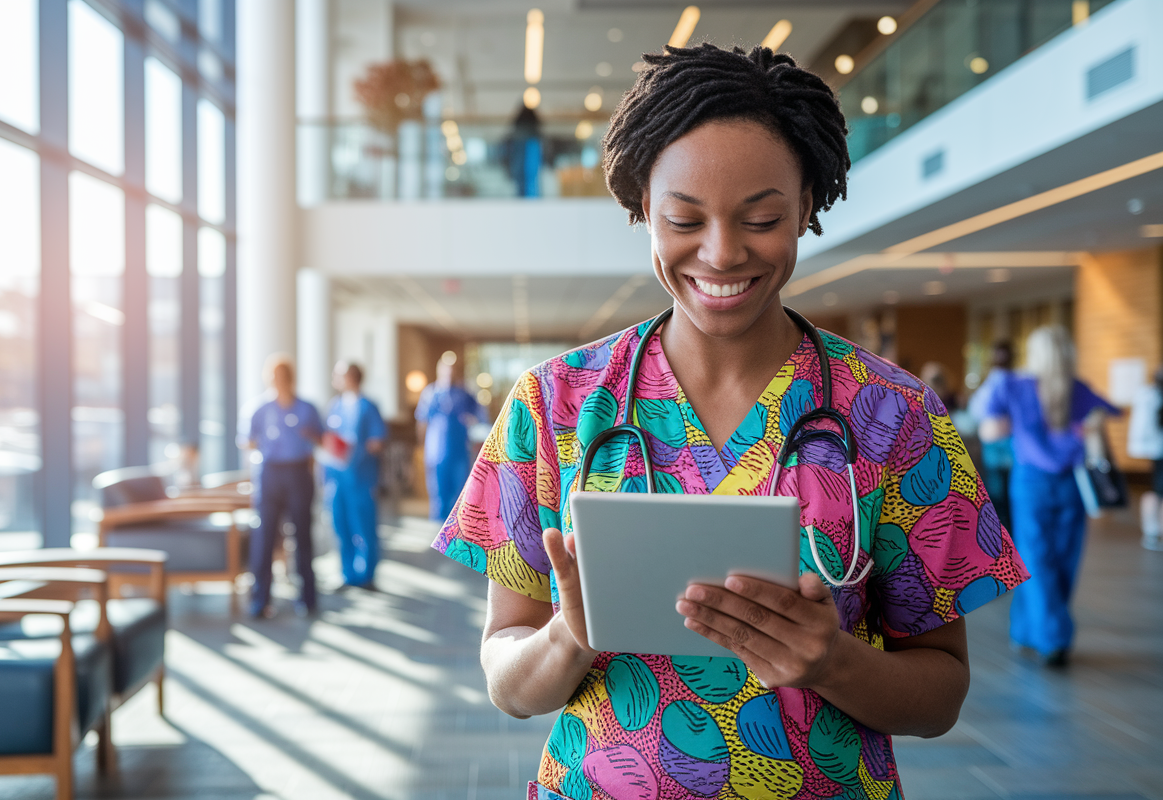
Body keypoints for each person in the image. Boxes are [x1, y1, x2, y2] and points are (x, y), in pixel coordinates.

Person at [433, 44, 1027, 800]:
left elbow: (941, 695)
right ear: (642, 206)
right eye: (684, 218)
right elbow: (509, 684)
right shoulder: (553, 405)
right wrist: (568, 637)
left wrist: (830, 662)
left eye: (763, 217)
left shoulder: (892, 414)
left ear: (808, 205)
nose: (721, 253)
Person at [980, 325, 1115, 666]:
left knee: (1035, 557)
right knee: (1065, 557)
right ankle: (1041, 630)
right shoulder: (1079, 389)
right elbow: (1111, 412)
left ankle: (1043, 634)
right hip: (1071, 483)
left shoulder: (1014, 385)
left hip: (1030, 483)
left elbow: (987, 425)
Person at [239, 354, 322, 618]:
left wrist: (309, 437)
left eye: (283, 376)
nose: (279, 382)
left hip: (298, 473)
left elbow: (321, 438)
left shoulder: (307, 408)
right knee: (264, 539)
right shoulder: (259, 409)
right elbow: (246, 441)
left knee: (302, 538)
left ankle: (307, 600)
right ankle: (260, 600)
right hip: (270, 474)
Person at [323, 362, 388, 590]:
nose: (335, 378)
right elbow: (329, 441)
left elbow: (377, 441)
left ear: (351, 377)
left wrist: (357, 449)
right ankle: (347, 574)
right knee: (342, 526)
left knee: (364, 526)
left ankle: (367, 575)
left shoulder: (368, 407)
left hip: (361, 477)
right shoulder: (335, 406)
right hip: (338, 479)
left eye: (339, 374)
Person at [415, 355, 486, 521]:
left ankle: (456, 531)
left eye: (452, 370)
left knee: (460, 494)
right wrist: (421, 446)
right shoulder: (430, 393)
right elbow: (422, 421)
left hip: (459, 450)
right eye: (446, 369)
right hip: (436, 451)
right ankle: (438, 530)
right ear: (439, 370)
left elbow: (480, 418)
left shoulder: (464, 394)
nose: (449, 373)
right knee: (438, 492)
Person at [969, 342, 1015, 532]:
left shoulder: (1000, 382)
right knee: (1000, 494)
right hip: (997, 448)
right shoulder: (995, 382)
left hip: (1005, 447)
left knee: (1001, 495)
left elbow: (977, 410)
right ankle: (1005, 533)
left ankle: (1004, 533)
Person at [1127, 365, 1163, 551]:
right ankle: (1152, 532)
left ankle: (1153, 531)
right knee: (1157, 491)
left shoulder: (1147, 396)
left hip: (1154, 451)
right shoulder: (1151, 397)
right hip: (1157, 451)